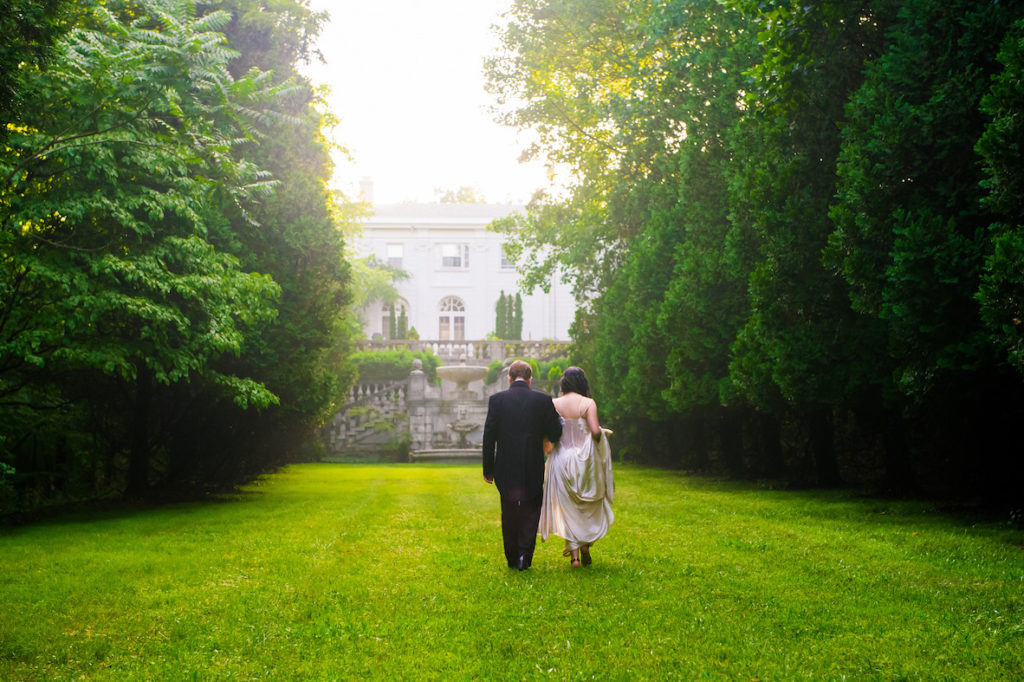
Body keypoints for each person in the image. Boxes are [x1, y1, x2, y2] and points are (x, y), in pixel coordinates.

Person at [482, 359, 563, 571]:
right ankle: (524, 558)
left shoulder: (496, 400)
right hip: (532, 463)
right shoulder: (543, 400)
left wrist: (488, 469)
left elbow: (489, 437)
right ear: (530, 379)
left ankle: (511, 557)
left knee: (508, 511)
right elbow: (556, 432)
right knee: (531, 509)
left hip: (505, 466)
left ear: (509, 378)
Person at [539, 366, 614, 568]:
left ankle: (574, 558)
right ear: (583, 383)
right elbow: (595, 431)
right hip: (584, 461)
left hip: (561, 459)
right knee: (587, 505)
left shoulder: (554, 403)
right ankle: (586, 545)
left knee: (568, 508)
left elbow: (549, 432)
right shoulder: (588, 403)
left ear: (564, 383)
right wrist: (601, 437)